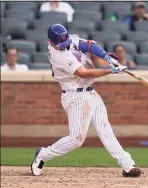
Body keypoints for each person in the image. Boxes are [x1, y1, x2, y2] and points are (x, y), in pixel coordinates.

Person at [31, 24, 141, 178]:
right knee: (76, 140)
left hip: (91, 93)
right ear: (51, 42)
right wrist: (112, 70)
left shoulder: (69, 39)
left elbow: (89, 45)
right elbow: (83, 73)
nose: (65, 44)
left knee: (105, 130)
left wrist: (107, 58)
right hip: (75, 97)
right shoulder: (58, 55)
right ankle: (43, 154)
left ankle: (127, 165)